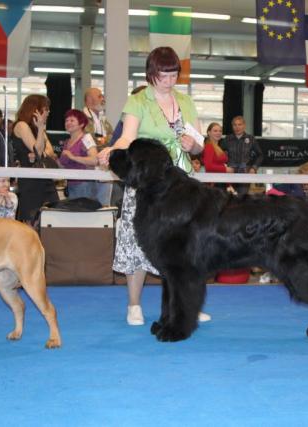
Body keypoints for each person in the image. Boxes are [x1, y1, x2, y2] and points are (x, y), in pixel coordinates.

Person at [97, 46, 209, 326]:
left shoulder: (187, 101)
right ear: (151, 72)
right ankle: (134, 305)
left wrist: (193, 145)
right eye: (164, 74)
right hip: (147, 185)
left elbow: (199, 145)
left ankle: (188, 305)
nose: (169, 80)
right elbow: (128, 139)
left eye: (174, 74)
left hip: (182, 185)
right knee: (137, 243)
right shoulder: (138, 102)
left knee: (186, 247)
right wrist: (112, 150)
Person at [11, 94, 59, 225]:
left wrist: (40, 151)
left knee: (52, 218)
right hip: (30, 181)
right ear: (35, 110)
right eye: (46, 109)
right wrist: (40, 133)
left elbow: (49, 151)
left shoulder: (39, 128)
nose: (48, 112)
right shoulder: (22, 126)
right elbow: (37, 150)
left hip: (45, 179)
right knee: (31, 219)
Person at [58, 109, 98, 200]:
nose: (68, 123)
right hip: (71, 185)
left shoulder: (86, 138)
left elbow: (94, 160)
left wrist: (73, 157)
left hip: (84, 185)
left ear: (81, 124)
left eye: (72, 120)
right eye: (66, 120)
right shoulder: (67, 142)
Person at [83, 87, 113, 205]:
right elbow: (89, 137)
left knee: (104, 204)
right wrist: (105, 140)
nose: (103, 98)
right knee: (87, 205)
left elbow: (113, 136)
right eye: (100, 96)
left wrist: (103, 140)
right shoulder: (83, 118)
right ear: (89, 100)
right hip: (88, 168)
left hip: (104, 165)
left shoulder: (102, 118)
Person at [221, 116, 263, 195]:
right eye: (235, 125)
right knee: (229, 198)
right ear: (232, 126)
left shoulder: (251, 139)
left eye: (239, 124)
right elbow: (219, 156)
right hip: (230, 174)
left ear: (244, 126)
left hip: (245, 173)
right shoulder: (227, 139)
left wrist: (254, 168)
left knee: (242, 198)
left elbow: (260, 155)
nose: (237, 127)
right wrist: (224, 167)